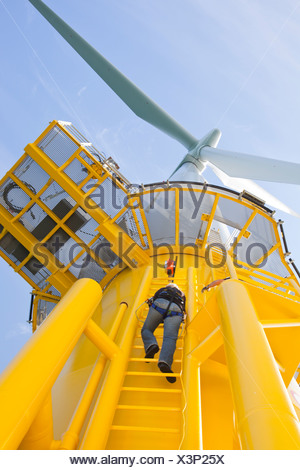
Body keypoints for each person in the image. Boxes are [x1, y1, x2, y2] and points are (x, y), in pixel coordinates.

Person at [141, 283, 186, 383]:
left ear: (168, 287)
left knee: (147, 329)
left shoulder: (163, 290)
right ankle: (164, 362)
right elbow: (184, 308)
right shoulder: (182, 294)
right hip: (176, 310)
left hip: (159, 304)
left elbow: (153, 300)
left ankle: (151, 345)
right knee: (170, 338)